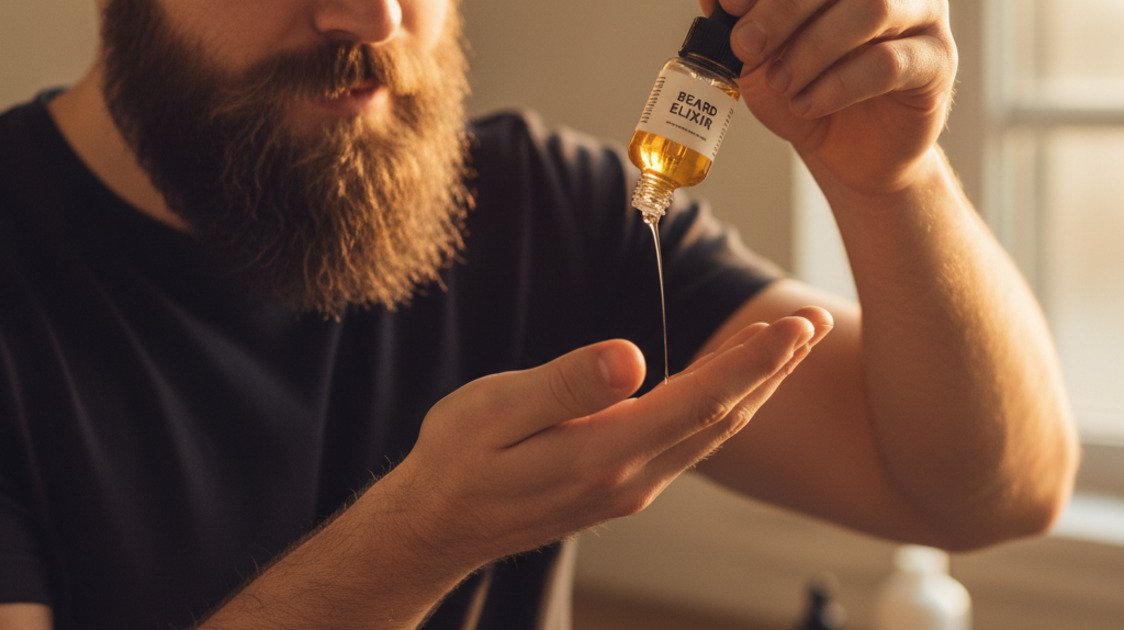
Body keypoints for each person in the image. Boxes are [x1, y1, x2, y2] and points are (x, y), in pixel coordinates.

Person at [0, 0, 1079, 628]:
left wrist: (894, 182)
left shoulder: (535, 207)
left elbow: (987, 490)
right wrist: (420, 540)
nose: (372, 17)